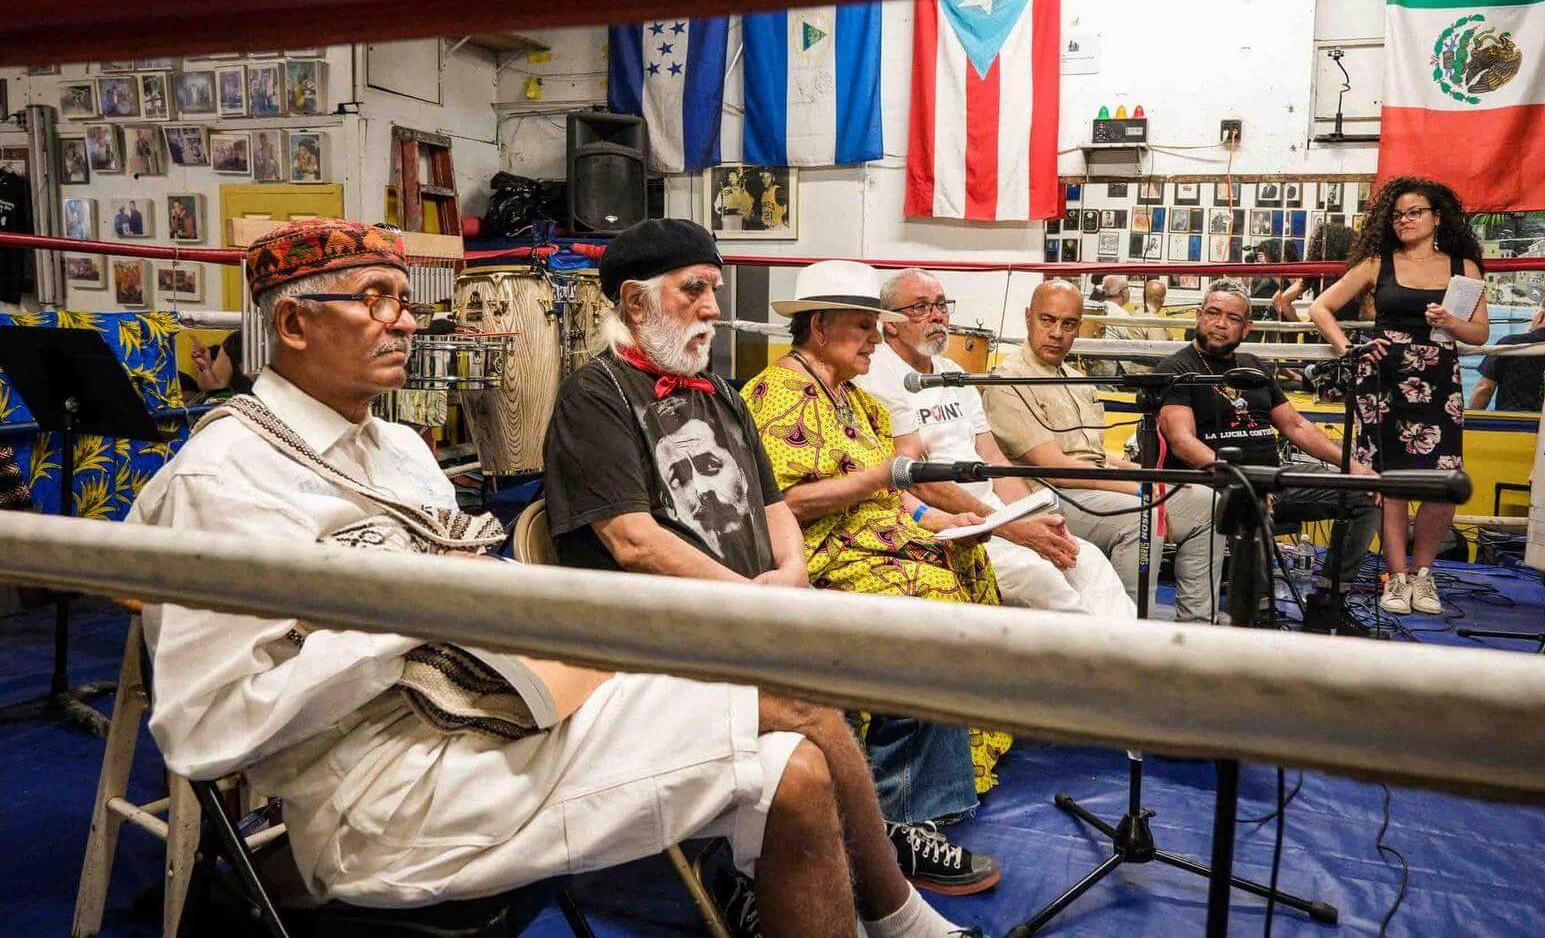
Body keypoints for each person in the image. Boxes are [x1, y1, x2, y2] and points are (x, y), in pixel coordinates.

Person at [134, 220, 978, 938]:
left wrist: (480, 619)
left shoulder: (398, 449)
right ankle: (900, 917)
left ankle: (869, 904)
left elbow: (466, 590)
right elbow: (205, 729)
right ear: (292, 325)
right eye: (375, 300)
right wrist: (418, 610)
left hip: (495, 711)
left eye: (404, 298)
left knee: (796, 756)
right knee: (797, 715)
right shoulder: (223, 477)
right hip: (387, 786)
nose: (405, 323)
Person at [543, 221, 999, 920]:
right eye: (693, 290)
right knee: (812, 701)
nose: (712, 308)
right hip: (659, 629)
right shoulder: (595, 394)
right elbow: (634, 541)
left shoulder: (718, 393)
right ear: (635, 304)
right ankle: (896, 908)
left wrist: (788, 574)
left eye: (714, 290)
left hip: (751, 604)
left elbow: (774, 502)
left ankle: (885, 833)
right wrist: (751, 600)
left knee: (912, 628)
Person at [741, 260, 1011, 826]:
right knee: (932, 602)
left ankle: (955, 767)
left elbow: (896, 497)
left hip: (876, 536)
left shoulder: (858, 398)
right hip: (817, 551)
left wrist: (942, 522)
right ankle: (905, 810)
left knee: (968, 557)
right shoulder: (778, 392)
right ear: (819, 327)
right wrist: (887, 476)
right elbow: (786, 503)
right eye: (864, 326)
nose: (875, 339)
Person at [858, 267, 1136, 619]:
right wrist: (1010, 527)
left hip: (995, 515)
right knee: (1044, 582)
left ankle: (1129, 662)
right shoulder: (879, 377)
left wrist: (1037, 516)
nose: (936, 316)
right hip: (957, 525)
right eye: (920, 307)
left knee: (1088, 561)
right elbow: (918, 482)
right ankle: (1091, 666)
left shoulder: (952, 373)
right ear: (891, 322)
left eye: (942, 305)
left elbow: (992, 458)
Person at [1309, 177, 1489, 616]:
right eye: (1397, 215)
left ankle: (1424, 576)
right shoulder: (1376, 262)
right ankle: (1396, 577)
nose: (1405, 221)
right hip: (1381, 380)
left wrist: (1450, 319)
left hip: (1438, 379)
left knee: (1442, 482)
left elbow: (1479, 334)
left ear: (1436, 217)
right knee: (1387, 482)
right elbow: (1320, 307)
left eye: (1414, 212)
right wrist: (1348, 350)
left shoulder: (1464, 267)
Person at [1155, 280, 1380, 628]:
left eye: (1232, 318)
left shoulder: (1254, 365)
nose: (1219, 323)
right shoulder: (1177, 368)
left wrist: (1355, 467)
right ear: (1199, 316)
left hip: (1275, 480)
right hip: (1221, 486)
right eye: (1212, 314)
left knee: (1365, 496)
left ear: (1247, 327)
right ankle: (1257, 615)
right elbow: (1182, 440)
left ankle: (1328, 602)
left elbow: (1296, 426)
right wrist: (1245, 483)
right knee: (1253, 510)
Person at [982, 279, 1152, 612]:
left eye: (1069, 324)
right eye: (1048, 320)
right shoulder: (1007, 381)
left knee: (1205, 500)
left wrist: (1159, 477)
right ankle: (1133, 637)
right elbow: (1054, 466)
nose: (1058, 333)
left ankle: (1200, 633)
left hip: (1096, 482)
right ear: (1029, 318)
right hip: (1053, 491)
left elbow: (1101, 457)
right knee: (1142, 517)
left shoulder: (1077, 381)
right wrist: (1140, 489)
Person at [1469, 291, 1545, 412]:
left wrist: (1472, 418)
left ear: (1540, 317)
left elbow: (1484, 389)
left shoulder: (1510, 344)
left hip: (1510, 423)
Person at [1272, 222, 1358, 322]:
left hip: (1321, 330)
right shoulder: (1354, 274)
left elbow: (1280, 300)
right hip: (1345, 331)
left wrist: (1302, 328)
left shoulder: (1317, 273)